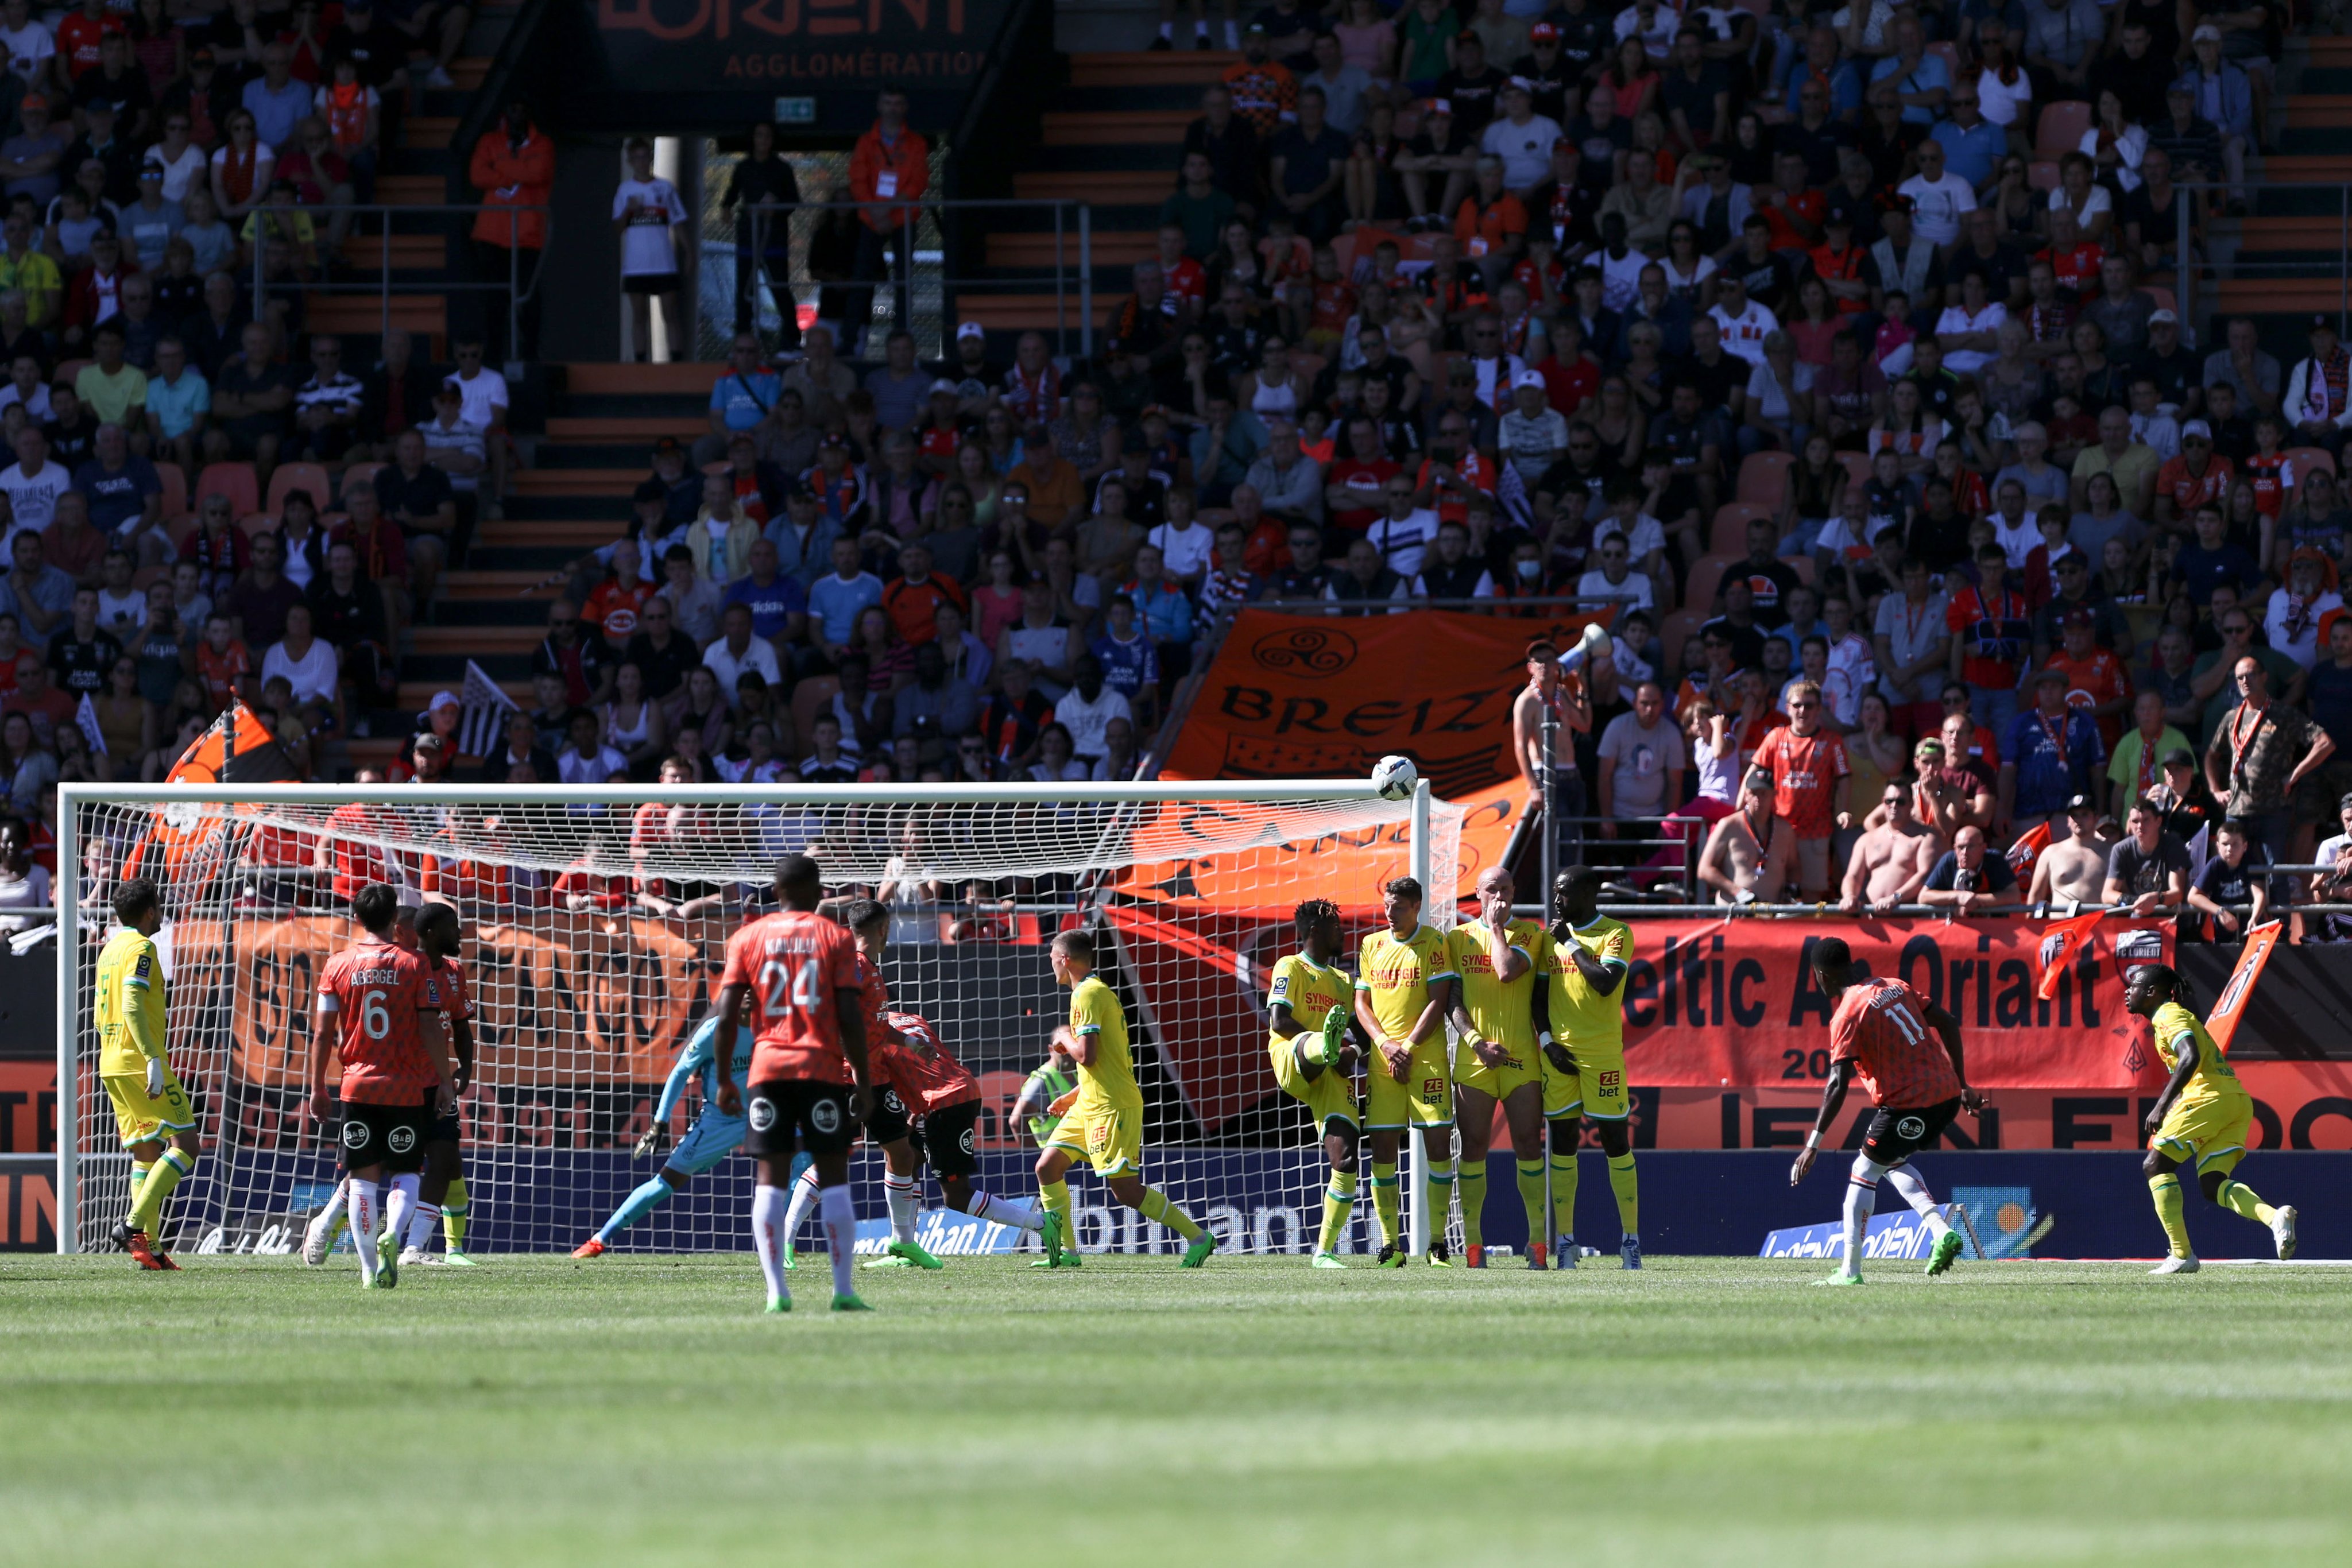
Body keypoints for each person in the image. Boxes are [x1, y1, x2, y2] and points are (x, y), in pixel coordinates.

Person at [710, 854, 873, 1314]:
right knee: (835, 1180)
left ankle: (776, 1293)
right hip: (821, 1070)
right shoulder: (835, 937)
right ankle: (843, 1291)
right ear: (819, 889)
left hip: (769, 1072)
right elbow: (848, 1017)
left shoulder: (747, 937)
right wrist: (861, 1078)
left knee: (770, 1182)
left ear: (775, 890)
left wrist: (724, 1078)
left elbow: (726, 1016)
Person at [1786, 937, 1982, 1286]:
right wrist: (1963, 1084)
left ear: (1821, 976)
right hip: (1947, 1095)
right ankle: (1941, 1233)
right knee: (1888, 1160)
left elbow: (1837, 1085)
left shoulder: (1846, 1014)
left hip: (1911, 1104)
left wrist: (1813, 1143)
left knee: (1863, 1170)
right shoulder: (1894, 985)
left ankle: (1850, 1272)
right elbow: (1949, 1022)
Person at [1032, 926, 1217, 1270]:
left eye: (1052, 959)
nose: (1051, 965)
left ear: (1065, 959)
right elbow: (1106, 1061)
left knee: (1126, 1191)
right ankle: (1067, 1253)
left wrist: (1064, 1041)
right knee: (1047, 1167)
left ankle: (1198, 1237)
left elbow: (1085, 1055)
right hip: (1090, 1103)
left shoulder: (1087, 995)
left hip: (1112, 1107)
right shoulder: (1095, 992)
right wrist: (1074, 1096)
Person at [310, 882, 458, 1289]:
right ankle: (395, 1231)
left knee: (362, 1180)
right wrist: (444, 1080)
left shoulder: (338, 964)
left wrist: (318, 1086)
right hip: (406, 1087)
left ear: (357, 918)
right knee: (407, 1172)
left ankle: (367, 1268)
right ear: (396, 919)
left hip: (357, 1086)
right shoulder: (415, 965)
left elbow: (322, 1035)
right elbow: (431, 1024)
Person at [574, 992, 787, 1260]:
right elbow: (680, 1073)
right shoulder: (713, 1032)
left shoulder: (773, 1028)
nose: (746, 992)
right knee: (666, 1182)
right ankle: (598, 1241)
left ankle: (784, 1243)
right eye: (740, 986)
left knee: (802, 1157)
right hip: (718, 1123)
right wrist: (660, 1122)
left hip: (761, 1116)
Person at [2127, 964, 2298, 1273]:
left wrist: (2162, 1106)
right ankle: (2274, 1218)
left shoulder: (2168, 1014)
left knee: (2155, 1165)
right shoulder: (2170, 1018)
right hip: (2236, 1101)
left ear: (2152, 992)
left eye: (2134, 985)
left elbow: (2190, 1056)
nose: (2128, 991)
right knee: (2212, 1184)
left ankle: (2182, 1256)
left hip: (2209, 1098)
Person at [1531, 865, 1640, 1270]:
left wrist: (1572, 944)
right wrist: (1547, 1042)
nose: (1557, 900)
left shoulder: (1615, 932)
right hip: (1558, 1054)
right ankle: (1566, 1243)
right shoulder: (1550, 938)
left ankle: (1630, 1241)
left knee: (1615, 1141)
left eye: (1564, 892)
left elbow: (1605, 982)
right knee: (1562, 1142)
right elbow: (1538, 998)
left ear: (1588, 893)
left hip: (1602, 1055)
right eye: (1555, 892)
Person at [1440, 866, 1546, 1271]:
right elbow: (1453, 1000)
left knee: (1528, 1146)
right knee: (1474, 1148)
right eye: (1491, 889)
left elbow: (1505, 971)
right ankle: (1473, 1245)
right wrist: (1476, 1043)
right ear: (1477, 893)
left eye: (1505, 888)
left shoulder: (1531, 934)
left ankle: (1537, 1243)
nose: (1499, 896)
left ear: (1515, 890)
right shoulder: (1458, 939)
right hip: (1475, 1058)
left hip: (1521, 1060)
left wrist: (1498, 929)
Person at [94, 876, 196, 1270]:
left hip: (112, 1061)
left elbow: (105, 1010)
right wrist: (153, 1057)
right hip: (141, 1061)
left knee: (145, 1151)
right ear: (150, 910)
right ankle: (134, 1225)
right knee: (186, 1145)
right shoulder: (142, 947)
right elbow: (133, 1001)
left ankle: (149, 1249)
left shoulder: (109, 950)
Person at [1265, 896, 1363, 1268]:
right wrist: (1333, 1048)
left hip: (1331, 1073)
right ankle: (1327, 1043)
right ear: (1314, 932)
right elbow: (1279, 1022)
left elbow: (1360, 1038)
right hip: (1293, 1058)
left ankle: (1323, 1252)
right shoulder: (1290, 966)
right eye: (1336, 925)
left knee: (1347, 1158)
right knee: (1315, 1041)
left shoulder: (1343, 980)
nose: (1343, 930)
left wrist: (1349, 1053)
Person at [1750, 679, 1851, 897]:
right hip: (1778, 829)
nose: (1803, 710)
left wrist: (1843, 809)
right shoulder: (1776, 737)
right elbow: (1754, 773)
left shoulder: (1833, 741)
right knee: (1774, 892)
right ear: (1787, 708)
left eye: (1809, 705)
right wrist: (1743, 811)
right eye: (1797, 705)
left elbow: (1844, 778)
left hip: (1816, 830)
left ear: (1819, 709)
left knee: (1812, 894)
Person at [612, 136, 688, 362]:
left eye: (645, 157)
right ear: (630, 161)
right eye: (636, 158)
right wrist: (629, 211)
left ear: (651, 158)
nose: (641, 162)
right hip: (636, 266)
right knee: (639, 316)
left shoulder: (664, 188)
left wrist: (690, 252)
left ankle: (677, 362)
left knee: (670, 315)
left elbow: (679, 221)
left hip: (664, 263)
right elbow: (617, 228)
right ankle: (640, 362)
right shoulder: (625, 190)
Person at [1839, 780, 1940, 915]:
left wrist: (1895, 898)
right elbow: (1853, 876)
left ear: (1911, 804)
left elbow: (1925, 875)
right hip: (1874, 918)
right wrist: (1849, 895)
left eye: (1901, 802)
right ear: (1883, 802)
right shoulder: (1868, 839)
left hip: (1909, 916)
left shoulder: (1925, 837)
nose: (1894, 806)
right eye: (1889, 801)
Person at [1700, 767, 1792, 904]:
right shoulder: (1729, 825)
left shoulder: (1785, 830)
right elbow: (1704, 869)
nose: (1758, 799)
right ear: (1746, 795)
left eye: (1764, 793)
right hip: (1736, 911)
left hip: (1772, 915)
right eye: (1754, 793)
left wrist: (1790, 891)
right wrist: (1737, 891)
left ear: (1774, 795)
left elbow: (1795, 868)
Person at [2027, 793, 2114, 907]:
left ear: (2096, 819)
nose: (2079, 820)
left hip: (2099, 923)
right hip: (2060, 923)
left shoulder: (2112, 852)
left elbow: (2123, 891)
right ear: (2068, 821)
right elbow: (2036, 896)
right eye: (2074, 816)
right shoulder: (2051, 853)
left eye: (2085, 815)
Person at [1920, 824, 2018, 914]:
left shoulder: (1994, 860)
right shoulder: (1949, 860)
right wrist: (1958, 897)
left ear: (1983, 848)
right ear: (1954, 849)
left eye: (1970, 847)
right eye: (1960, 847)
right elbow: (1923, 897)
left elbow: (2014, 896)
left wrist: (1976, 900)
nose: (1965, 853)